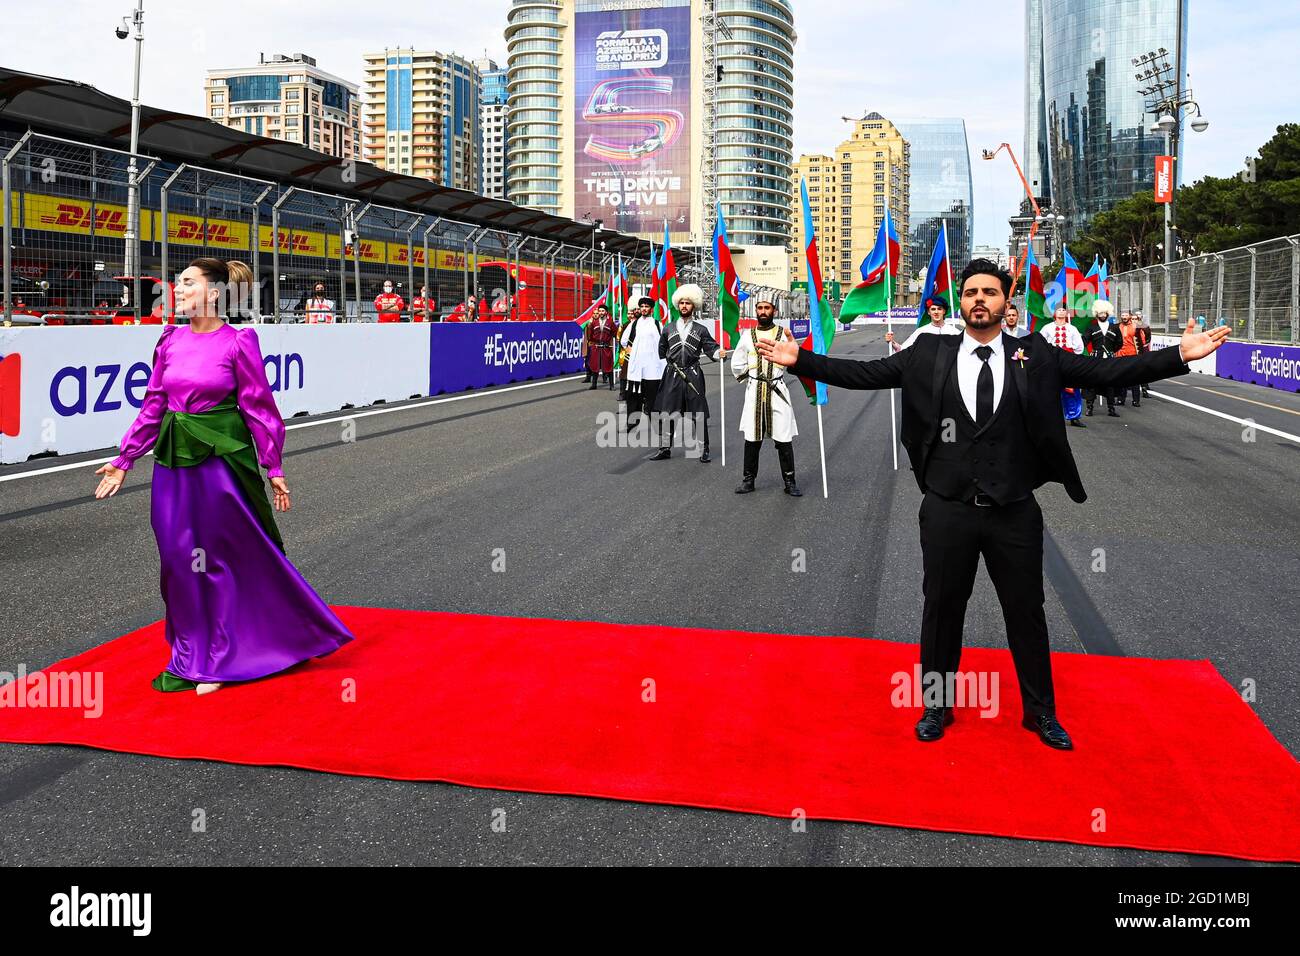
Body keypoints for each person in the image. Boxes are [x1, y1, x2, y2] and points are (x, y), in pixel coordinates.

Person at [755, 258, 1230, 750]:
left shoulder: (1036, 354)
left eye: (989, 292)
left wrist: (1179, 356)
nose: (978, 299)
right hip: (947, 508)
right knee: (941, 608)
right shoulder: (928, 352)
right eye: (970, 292)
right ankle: (936, 706)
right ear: (962, 301)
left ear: (1007, 301)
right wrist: (803, 360)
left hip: (1013, 510)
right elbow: (865, 374)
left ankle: (1041, 712)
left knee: (1026, 610)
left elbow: (1104, 371)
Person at [92, 258, 353, 695]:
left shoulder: (238, 341)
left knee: (216, 558)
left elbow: (259, 408)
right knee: (177, 558)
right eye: (178, 282)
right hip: (174, 459)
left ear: (214, 293)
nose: (178, 288)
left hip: (222, 461)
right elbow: (155, 403)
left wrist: (273, 467)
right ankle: (190, 651)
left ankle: (220, 656)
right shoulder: (169, 340)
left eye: (189, 282)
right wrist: (125, 458)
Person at [648, 284, 727, 463]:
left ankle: (703, 448)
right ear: (678, 305)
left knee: (698, 413)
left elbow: (711, 348)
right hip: (672, 374)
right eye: (682, 302)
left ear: (694, 306)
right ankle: (665, 448)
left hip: (693, 374)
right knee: (667, 412)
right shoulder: (668, 328)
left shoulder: (701, 330)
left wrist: (718, 354)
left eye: (688, 303)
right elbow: (661, 351)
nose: (684, 306)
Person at [731, 298, 801, 496]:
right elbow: (737, 363)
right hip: (754, 391)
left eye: (767, 308)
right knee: (752, 437)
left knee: (784, 437)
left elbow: (794, 359)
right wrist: (751, 376)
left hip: (777, 390)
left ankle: (790, 481)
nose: (763, 311)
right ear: (756, 310)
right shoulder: (747, 335)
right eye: (760, 308)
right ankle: (748, 480)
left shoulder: (782, 334)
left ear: (774, 311)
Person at [620, 296, 665, 430]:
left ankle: (657, 422)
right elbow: (623, 340)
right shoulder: (634, 324)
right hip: (637, 367)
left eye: (646, 307)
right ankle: (632, 422)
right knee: (633, 396)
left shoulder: (657, 324)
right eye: (642, 307)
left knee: (653, 397)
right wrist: (630, 350)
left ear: (651, 309)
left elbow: (663, 342)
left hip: (653, 367)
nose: (644, 309)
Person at [1041, 306, 1087, 428]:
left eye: (1063, 310)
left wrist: (1073, 359)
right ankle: (1048, 416)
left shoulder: (1072, 329)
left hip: (1068, 361)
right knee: (1050, 389)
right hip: (1052, 360)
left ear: (1066, 313)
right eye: (1058, 310)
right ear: (1054, 313)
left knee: (1071, 389)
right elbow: (1041, 343)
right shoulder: (1047, 328)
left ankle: (1074, 417)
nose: (1061, 311)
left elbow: (1079, 347)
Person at [1083, 299, 1122, 417]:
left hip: (1109, 359)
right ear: (1096, 314)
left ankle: (1111, 408)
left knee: (1110, 383)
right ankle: (1089, 408)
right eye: (1100, 313)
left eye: (1105, 313)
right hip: (1095, 359)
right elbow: (1084, 341)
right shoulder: (1091, 327)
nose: (1103, 315)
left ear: (1108, 313)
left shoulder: (1114, 327)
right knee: (1092, 383)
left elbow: (1119, 343)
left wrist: (1112, 352)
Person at [886, 298, 962, 353]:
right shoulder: (921, 331)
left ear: (944, 311)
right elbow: (903, 349)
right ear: (928, 312)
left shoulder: (954, 332)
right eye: (933, 309)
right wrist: (892, 342)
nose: (936, 312)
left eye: (939, 309)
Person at [583, 304, 618, 391]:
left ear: (606, 312)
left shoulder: (610, 323)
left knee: (608, 366)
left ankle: (611, 385)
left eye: (603, 311)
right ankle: (594, 384)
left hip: (606, 347)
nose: (601, 313)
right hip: (596, 347)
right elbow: (590, 336)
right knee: (595, 366)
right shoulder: (594, 323)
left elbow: (615, 333)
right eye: (600, 311)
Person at [1114, 310, 1142, 407]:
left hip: (1132, 355)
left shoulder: (1135, 326)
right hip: (1120, 355)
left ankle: (1136, 400)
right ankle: (1121, 399)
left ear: (1130, 316)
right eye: (1122, 315)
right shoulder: (1118, 326)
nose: (1124, 316)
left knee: (1134, 378)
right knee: (1121, 378)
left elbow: (1141, 341)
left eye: (1126, 315)